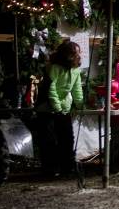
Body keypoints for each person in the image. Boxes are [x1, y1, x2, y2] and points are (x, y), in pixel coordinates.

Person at [36, 39, 84, 176]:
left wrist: (81, 104)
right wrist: (57, 108)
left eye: (79, 53)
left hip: (64, 109)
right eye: (75, 53)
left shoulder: (76, 70)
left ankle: (67, 168)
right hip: (47, 109)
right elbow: (51, 89)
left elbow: (76, 89)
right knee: (49, 141)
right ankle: (49, 169)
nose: (79, 55)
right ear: (67, 55)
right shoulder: (54, 68)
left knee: (67, 139)